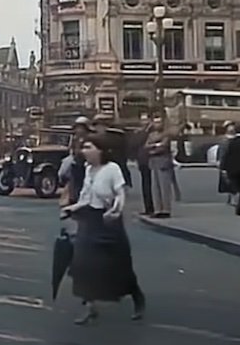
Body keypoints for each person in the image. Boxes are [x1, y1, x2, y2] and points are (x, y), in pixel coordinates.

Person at [61, 134, 146, 325]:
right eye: (83, 148)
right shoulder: (88, 169)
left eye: (89, 147)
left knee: (118, 265)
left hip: (109, 222)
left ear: (100, 149)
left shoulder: (112, 169)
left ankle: (137, 297)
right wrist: (71, 209)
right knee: (83, 264)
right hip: (90, 220)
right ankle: (90, 307)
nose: (84, 151)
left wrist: (116, 209)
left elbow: (120, 193)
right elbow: (86, 198)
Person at [144, 117, 173, 218]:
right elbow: (146, 146)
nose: (157, 124)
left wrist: (153, 148)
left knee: (164, 187)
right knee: (155, 187)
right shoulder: (151, 135)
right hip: (153, 163)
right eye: (155, 122)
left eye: (159, 122)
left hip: (163, 163)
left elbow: (163, 147)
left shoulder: (166, 134)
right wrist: (155, 146)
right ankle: (157, 209)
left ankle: (166, 210)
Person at [92, 114, 131, 188]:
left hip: (116, 165)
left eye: (99, 126)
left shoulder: (114, 136)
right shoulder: (97, 137)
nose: (97, 128)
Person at [216, 121, 238, 205]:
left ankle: (232, 198)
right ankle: (230, 197)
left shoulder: (235, 139)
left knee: (232, 180)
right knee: (227, 180)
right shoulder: (223, 140)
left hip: (233, 162)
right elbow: (221, 151)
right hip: (225, 162)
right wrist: (219, 160)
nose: (231, 128)